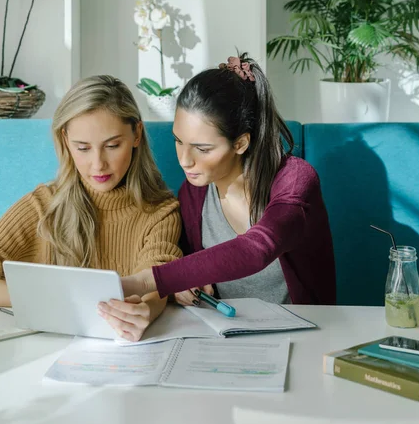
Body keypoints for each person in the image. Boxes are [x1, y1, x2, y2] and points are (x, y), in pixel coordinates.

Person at [0, 75, 183, 342]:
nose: (98, 164)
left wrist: (146, 310)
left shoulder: (161, 211)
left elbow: (158, 279)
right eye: (83, 148)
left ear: (136, 135)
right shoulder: (43, 205)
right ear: (65, 140)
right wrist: (50, 298)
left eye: (112, 146)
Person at [120, 54, 336, 306]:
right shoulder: (193, 193)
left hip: (306, 331)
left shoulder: (294, 180)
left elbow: (258, 249)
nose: (184, 160)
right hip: (225, 335)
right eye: (178, 141)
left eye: (202, 149)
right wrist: (185, 288)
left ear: (241, 143)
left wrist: (145, 282)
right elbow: (192, 269)